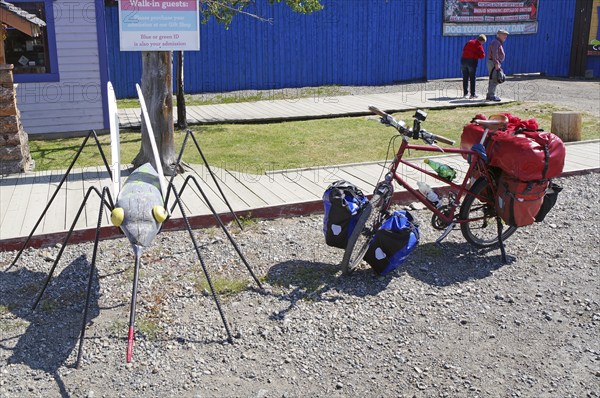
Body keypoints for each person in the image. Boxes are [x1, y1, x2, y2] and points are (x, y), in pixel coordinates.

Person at [460, 34, 487, 99]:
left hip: (463, 60)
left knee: (465, 77)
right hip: (472, 61)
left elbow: (464, 49)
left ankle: (465, 93)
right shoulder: (478, 45)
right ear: (482, 41)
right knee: (472, 78)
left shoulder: (469, 42)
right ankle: (472, 94)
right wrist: (476, 55)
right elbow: (482, 55)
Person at [486, 30, 509, 101]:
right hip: (494, 63)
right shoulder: (496, 42)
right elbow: (494, 54)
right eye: (504, 34)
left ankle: (490, 95)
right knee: (495, 78)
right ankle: (491, 95)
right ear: (498, 35)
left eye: (506, 35)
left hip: (494, 62)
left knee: (493, 78)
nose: (505, 36)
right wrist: (496, 64)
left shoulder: (498, 42)